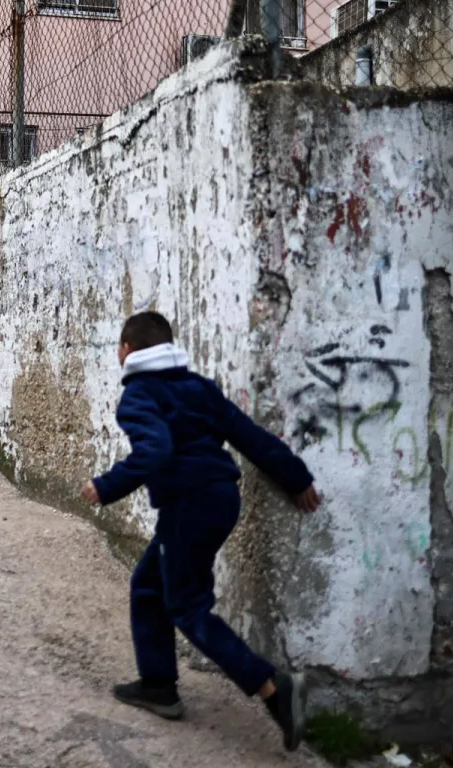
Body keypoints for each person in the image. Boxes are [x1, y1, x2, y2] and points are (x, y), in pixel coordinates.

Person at [79, 311, 321, 751]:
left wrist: (106, 486)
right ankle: (158, 684)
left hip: (187, 506)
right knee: (149, 584)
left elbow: (156, 451)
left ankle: (272, 688)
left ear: (127, 350)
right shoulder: (197, 387)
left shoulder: (137, 395)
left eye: (118, 347)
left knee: (187, 606)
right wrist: (296, 476)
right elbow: (246, 434)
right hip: (220, 499)